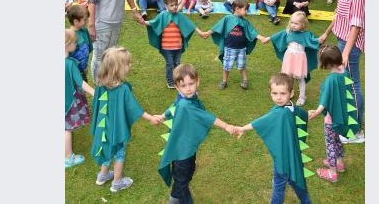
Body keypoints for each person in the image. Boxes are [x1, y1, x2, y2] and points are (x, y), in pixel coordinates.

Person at [153, 64, 241, 204]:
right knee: (183, 178)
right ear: (177, 86)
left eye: (191, 84)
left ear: (197, 81)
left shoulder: (184, 97)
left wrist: (163, 116)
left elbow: (174, 106)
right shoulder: (186, 105)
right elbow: (207, 117)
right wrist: (226, 126)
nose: (188, 88)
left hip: (186, 145)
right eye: (183, 85)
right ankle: (182, 199)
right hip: (182, 150)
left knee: (187, 172)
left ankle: (174, 198)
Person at [89, 47, 162, 192]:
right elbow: (135, 108)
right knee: (119, 153)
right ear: (118, 68)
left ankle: (102, 176)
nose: (130, 66)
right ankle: (117, 182)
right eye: (127, 64)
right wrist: (150, 118)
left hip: (103, 128)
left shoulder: (100, 86)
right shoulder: (123, 90)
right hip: (117, 129)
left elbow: (96, 107)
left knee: (106, 147)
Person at [235, 73, 313, 204]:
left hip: (283, 158)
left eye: (282, 93)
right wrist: (307, 114)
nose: (278, 98)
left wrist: (242, 128)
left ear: (291, 93)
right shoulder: (291, 107)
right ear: (270, 92)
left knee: (278, 186)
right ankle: (306, 201)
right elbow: (301, 113)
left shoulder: (279, 113)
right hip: (293, 155)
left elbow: (260, 122)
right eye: (275, 93)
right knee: (296, 179)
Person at [318, 0, 365, 144]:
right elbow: (340, 15)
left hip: (350, 44)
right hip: (343, 40)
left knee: (353, 85)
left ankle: (356, 131)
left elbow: (356, 24)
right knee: (347, 84)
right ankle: (349, 124)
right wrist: (328, 33)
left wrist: (345, 52)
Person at [307, 45, 360, 183]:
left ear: (327, 64)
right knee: (337, 141)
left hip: (331, 120)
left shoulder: (331, 79)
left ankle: (332, 172)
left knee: (330, 144)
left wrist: (316, 112)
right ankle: (340, 163)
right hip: (342, 117)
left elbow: (324, 100)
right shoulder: (345, 71)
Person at [204, 0, 269, 90]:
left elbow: (252, 32)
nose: (247, 12)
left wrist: (261, 38)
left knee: (242, 66)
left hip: (241, 49)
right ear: (237, 9)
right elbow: (218, 27)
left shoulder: (245, 22)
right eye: (245, 9)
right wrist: (208, 32)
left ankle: (245, 80)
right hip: (229, 48)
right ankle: (224, 81)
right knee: (226, 66)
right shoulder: (228, 18)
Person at [146, 0, 209, 88]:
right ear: (166, 5)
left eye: (176, 4)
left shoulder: (180, 16)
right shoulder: (163, 15)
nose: (175, 7)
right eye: (172, 5)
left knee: (177, 64)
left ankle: (178, 80)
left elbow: (191, 25)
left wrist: (201, 33)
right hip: (166, 47)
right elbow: (153, 23)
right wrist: (142, 21)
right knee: (170, 64)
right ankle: (170, 82)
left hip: (178, 47)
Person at [268, 12, 321, 105]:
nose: (293, 25)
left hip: (299, 59)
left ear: (303, 24)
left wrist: (321, 39)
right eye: (292, 22)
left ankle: (302, 97)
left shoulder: (307, 35)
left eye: (296, 23)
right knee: (288, 76)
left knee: (300, 78)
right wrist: (268, 38)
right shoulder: (288, 32)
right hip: (289, 57)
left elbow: (315, 41)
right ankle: (289, 92)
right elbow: (277, 36)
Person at [65, 29, 95, 168]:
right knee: (67, 129)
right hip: (69, 100)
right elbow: (81, 82)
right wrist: (95, 93)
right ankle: (68, 157)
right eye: (74, 43)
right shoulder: (70, 64)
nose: (76, 45)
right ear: (67, 45)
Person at [67, 5, 94, 76]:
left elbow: (89, 47)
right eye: (85, 20)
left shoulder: (84, 31)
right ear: (75, 21)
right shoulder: (69, 36)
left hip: (83, 70)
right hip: (73, 72)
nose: (87, 21)